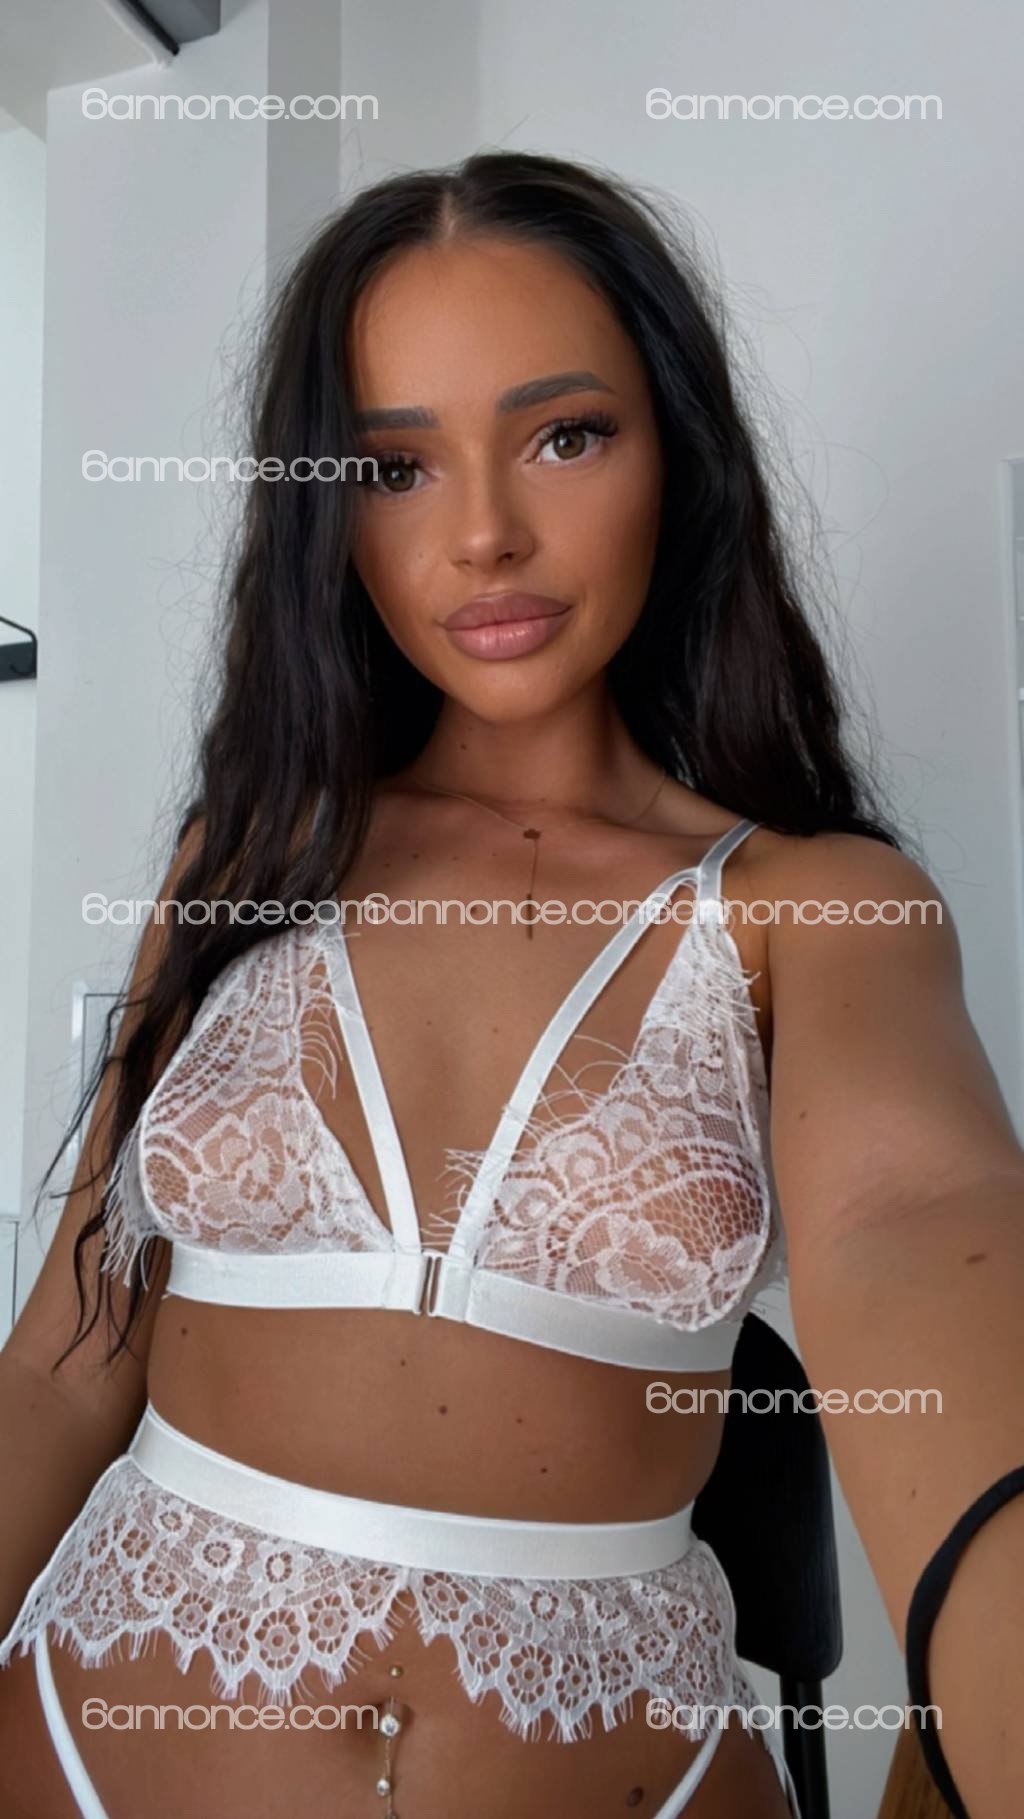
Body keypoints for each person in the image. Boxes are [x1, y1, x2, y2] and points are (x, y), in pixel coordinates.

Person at [1, 150, 1022, 1819]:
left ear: (677, 454)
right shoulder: (242, 855)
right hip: (81, 1754)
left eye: (566, 435)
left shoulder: (817, 912)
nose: (483, 532)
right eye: (395, 466)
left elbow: (923, 1228)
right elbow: (62, 1362)